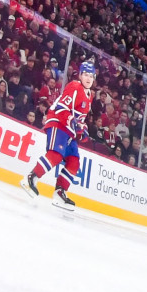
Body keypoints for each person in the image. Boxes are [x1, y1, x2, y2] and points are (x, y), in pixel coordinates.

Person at [23, 57, 96, 212]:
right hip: (58, 123)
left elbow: (80, 119)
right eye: (86, 75)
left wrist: (82, 129)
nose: (88, 78)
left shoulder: (90, 96)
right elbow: (62, 108)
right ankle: (31, 178)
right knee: (55, 155)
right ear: (80, 76)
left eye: (91, 76)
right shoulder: (74, 86)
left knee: (74, 162)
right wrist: (73, 122)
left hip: (69, 130)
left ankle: (59, 192)